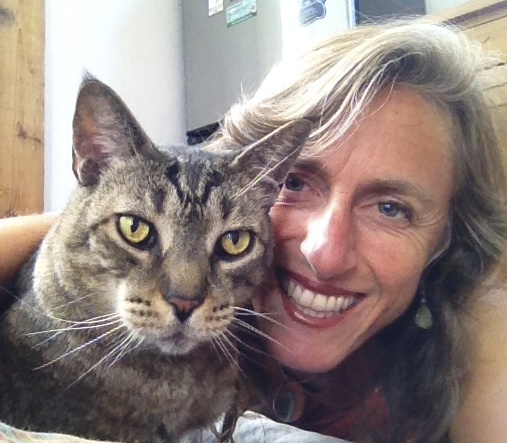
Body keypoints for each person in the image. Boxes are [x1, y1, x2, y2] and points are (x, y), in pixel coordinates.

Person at [2, 18, 507, 443]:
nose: (326, 252)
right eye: (296, 182)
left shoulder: (473, 345)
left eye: (391, 208)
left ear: (447, 240)